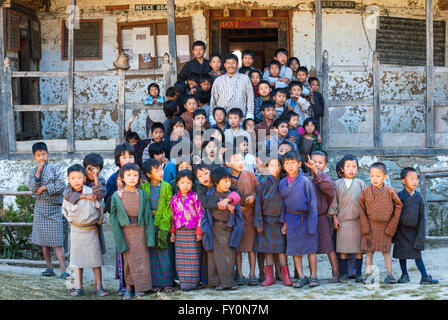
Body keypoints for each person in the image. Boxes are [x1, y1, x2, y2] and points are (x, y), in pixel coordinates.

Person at [109, 163, 155, 300]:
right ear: (122, 178)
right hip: (125, 232)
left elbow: (147, 216)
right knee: (128, 262)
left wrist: (150, 237)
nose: (132, 178)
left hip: (140, 231)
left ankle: (141, 288)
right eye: (128, 175)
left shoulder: (142, 193)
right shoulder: (117, 195)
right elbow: (113, 219)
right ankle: (128, 288)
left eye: (135, 175)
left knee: (142, 260)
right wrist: (119, 238)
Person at [62, 164, 107, 297]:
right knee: (77, 261)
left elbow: (99, 207)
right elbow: (65, 210)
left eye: (79, 177)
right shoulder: (68, 194)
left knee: (96, 260)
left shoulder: (90, 191)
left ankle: (99, 286)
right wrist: (72, 219)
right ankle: (78, 286)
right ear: (68, 179)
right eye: (73, 178)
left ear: (84, 178)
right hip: (76, 230)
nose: (76, 180)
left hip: (90, 230)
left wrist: (97, 222)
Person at [27, 142, 68, 279]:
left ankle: (63, 270)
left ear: (48, 154)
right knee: (44, 242)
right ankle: (49, 268)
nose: (41, 157)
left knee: (57, 242)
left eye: (43, 154)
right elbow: (32, 188)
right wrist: (38, 172)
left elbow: (61, 185)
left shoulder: (55, 168)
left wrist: (44, 188)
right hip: (40, 208)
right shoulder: (33, 171)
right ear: (34, 157)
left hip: (54, 209)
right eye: (38, 155)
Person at [279, 151, 319, 288]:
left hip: (306, 217)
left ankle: (313, 275)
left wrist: (312, 224)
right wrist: (284, 223)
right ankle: (301, 276)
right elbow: (282, 205)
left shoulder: (306, 181)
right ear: (283, 166)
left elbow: (313, 204)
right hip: (290, 218)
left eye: (293, 163)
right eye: (287, 164)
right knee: (295, 248)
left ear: (299, 164)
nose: (290, 166)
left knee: (310, 248)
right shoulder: (283, 183)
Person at [200, 167, 244, 290]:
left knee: (228, 256)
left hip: (228, 227)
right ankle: (217, 282)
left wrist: (231, 206)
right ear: (216, 182)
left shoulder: (232, 194)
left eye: (229, 181)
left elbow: (237, 199)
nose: (228, 184)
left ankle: (227, 282)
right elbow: (207, 209)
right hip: (214, 227)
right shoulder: (209, 195)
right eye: (224, 181)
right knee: (216, 256)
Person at [359, 162, 403, 284]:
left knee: (386, 252)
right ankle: (368, 275)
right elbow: (361, 210)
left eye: (378, 176)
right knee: (369, 252)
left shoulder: (390, 191)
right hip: (370, 226)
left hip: (385, 227)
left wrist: (392, 225)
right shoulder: (366, 192)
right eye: (372, 176)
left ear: (385, 177)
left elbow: (399, 206)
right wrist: (365, 227)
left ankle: (389, 275)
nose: (374, 179)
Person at [393, 167, 438, 285]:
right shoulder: (399, 196)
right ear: (403, 181)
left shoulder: (418, 198)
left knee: (417, 255)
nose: (415, 181)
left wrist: (420, 236)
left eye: (416, 179)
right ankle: (404, 275)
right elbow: (395, 213)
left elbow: (422, 217)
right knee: (401, 254)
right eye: (411, 179)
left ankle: (424, 276)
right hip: (401, 231)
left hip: (414, 231)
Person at [328, 155, 366, 283]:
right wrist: (334, 218)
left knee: (358, 250)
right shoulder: (337, 184)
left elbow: (366, 203)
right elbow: (334, 202)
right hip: (342, 222)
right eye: (348, 166)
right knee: (342, 250)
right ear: (342, 169)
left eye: (354, 166)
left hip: (357, 221)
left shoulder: (361, 183)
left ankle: (359, 274)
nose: (351, 169)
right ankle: (343, 274)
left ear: (357, 168)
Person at [254, 157, 291, 286]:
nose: (274, 168)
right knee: (267, 250)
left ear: (281, 167)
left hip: (280, 220)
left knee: (281, 250)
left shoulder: (284, 183)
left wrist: (285, 222)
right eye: (271, 165)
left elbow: (287, 204)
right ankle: (269, 277)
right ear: (267, 167)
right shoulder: (263, 183)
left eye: (277, 165)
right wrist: (258, 223)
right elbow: (258, 203)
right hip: (266, 220)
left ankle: (286, 275)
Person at [105, 143, 135, 295]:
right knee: (122, 253)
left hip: (137, 223)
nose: (128, 160)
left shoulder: (139, 176)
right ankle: (124, 285)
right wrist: (118, 192)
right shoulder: (113, 179)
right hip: (120, 223)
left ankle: (138, 284)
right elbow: (109, 205)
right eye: (124, 157)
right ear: (118, 160)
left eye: (131, 156)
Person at [305, 151, 340, 282]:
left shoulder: (326, 179)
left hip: (322, 217)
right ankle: (313, 275)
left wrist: (317, 172)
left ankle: (335, 273)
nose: (317, 165)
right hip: (309, 218)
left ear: (325, 165)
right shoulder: (307, 179)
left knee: (328, 246)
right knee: (311, 247)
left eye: (320, 163)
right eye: (314, 162)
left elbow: (328, 188)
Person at [141, 159, 174, 292]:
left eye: (161, 169)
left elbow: (168, 207)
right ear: (149, 174)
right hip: (149, 223)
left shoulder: (166, 186)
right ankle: (153, 283)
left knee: (163, 252)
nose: (161, 173)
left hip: (163, 224)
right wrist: (149, 223)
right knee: (151, 254)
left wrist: (163, 224)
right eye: (157, 170)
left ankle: (167, 283)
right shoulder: (143, 188)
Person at [226, 153, 258, 286]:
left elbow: (258, 189)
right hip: (235, 216)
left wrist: (254, 196)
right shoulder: (226, 178)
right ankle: (239, 274)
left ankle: (252, 274)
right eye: (236, 160)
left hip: (249, 214)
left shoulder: (249, 175)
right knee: (237, 247)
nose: (240, 162)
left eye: (241, 159)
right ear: (228, 163)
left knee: (251, 246)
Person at [169, 170, 203, 291]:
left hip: (192, 232)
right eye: (182, 182)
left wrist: (199, 230)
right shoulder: (174, 199)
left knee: (193, 257)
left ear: (192, 184)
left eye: (188, 182)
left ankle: (194, 283)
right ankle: (184, 283)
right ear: (177, 183)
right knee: (181, 258)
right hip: (180, 233)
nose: (185, 185)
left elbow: (200, 213)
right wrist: (172, 232)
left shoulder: (195, 197)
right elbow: (172, 217)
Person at [209, 53, 255, 125]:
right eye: (228, 63)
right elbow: (213, 100)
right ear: (224, 65)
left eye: (233, 63)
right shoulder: (218, 80)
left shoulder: (245, 78)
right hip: (222, 119)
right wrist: (212, 116)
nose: (231, 66)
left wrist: (250, 115)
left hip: (240, 118)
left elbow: (250, 98)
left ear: (237, 64)